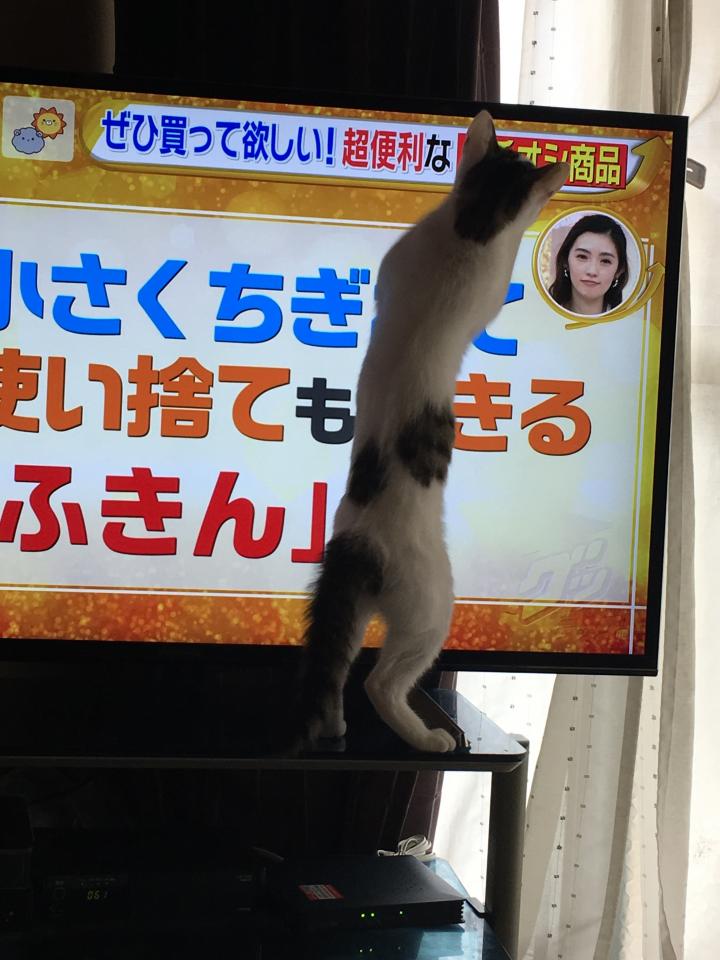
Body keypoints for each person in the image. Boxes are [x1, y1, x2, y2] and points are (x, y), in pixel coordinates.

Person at [548, 213, 629, 315]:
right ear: (565, 261)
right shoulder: (541, 316)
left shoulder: (629, 323)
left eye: (605, 261)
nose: (592, 271)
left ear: (619, 270)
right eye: (582, 257)